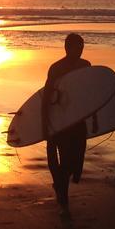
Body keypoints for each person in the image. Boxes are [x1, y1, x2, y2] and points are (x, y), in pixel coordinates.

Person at [42, 33, 90, 213]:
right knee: (64, 159)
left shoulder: (86, 66)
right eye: (78, 47)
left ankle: (60, 186)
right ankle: (63, 197)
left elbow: (88, 95)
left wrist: (93, 118)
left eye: (82, 46)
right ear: (67, 48)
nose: (81, 50)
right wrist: (45, 123)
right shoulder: (56, 68)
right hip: (61, 121)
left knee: (76, 162)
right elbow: (46, 97)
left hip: (78, 120)